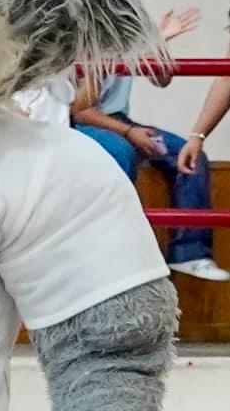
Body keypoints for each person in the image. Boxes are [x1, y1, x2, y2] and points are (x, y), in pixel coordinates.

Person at [66, 64, 223, 280]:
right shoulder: (86, 46)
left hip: (116, 118)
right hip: (79, 121)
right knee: (122, 152)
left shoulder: (130, 44)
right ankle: (113, 249)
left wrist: (155, 53)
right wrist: (129, 131)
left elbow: (162, 80)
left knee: (188, 156)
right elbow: (79, 111)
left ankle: (189, 253)